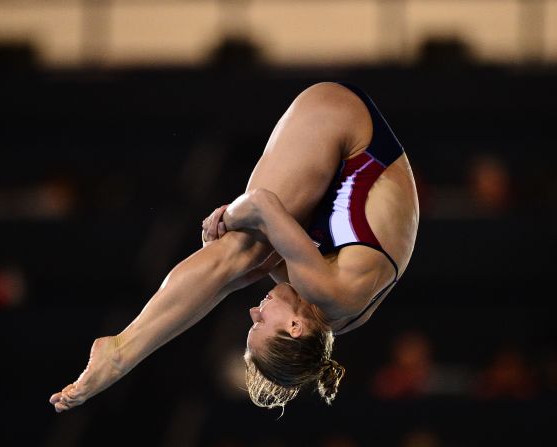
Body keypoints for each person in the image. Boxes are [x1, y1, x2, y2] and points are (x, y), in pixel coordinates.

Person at [49, 81, 419, 412]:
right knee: (239, 251)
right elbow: (259, 203)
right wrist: (227, 216)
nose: (253, 314)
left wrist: (232, 255)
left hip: (354, 156)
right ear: (294, 328)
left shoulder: (334, 315)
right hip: (344, 124)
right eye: (260, 325)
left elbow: (282, 257)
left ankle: (125, 349)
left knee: (244, 266)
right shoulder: (327, 293)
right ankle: (121, 352)